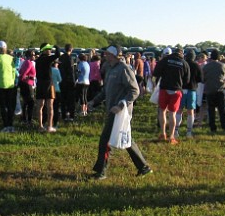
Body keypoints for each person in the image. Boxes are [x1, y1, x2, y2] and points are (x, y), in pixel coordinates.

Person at [87, 46, 152, 180]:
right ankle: (144, 167)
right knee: (126, 139)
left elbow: (135, 91)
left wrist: (121, 105)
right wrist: (93, 101)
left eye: (108, 54)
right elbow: (106, 90)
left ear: (115, 55)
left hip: (120, 112)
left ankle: (101, 171)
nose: (105, 56)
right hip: (112, 110)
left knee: (105, 140)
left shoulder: (124, 69)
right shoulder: (110, 69)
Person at [152, 47, 190, 143]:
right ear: (182, 54)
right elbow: (187, 80)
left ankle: (163, 133)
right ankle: (172, 137)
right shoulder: (184, 63)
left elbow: (155, 73)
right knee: (172, 113)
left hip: (164, 89)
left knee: (162, 111)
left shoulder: (165, 60)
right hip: (176, 90)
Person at [0, 40, 18, 132]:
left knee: (3, 106)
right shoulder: (10, 58)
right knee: (10, 106)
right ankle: (11, 125)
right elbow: (14, 71)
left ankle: (6, 125)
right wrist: (13, 81)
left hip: (0, 85)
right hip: (10, 85)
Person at [202, 50, 225, 133]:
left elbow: (203, 79)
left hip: (210, 90)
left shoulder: (206, 67)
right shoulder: (223, 65)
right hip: (221, 89)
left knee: (211, 110)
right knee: (223, 110)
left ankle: (213, 127)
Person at [34, 43, 59, 133]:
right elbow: (57, 54)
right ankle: (49, 126)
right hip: (48, 83)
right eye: (48, 49)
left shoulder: (38, 60)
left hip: (40, 84)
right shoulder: (48, 59)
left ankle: (40, 126)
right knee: (50, 106)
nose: (50, 50)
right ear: (44, 50)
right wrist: (56, 47)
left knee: (40, 106)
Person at [58, 44, 77, 122]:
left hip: (62, 81)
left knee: (63, 99)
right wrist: (73, 81)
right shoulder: (70, 58)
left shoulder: (61, 58)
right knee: (71, 100)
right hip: (69, 81)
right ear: (71, 49)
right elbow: (71, 71)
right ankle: (71, 116)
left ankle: (64, 115)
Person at [18, 49, 37, 125]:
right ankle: (29, 120)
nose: (34, 56)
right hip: (27, 84)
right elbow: (22, 75)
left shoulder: (25, 62)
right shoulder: (29, 63)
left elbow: (20, 72)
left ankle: (24, 118)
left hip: (24, 84)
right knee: (31, 102)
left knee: (26, 102)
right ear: (29, 55)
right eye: (33, 55)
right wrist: (30, 77)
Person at [76, 52, 91, 116]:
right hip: (87, 81)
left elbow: (78, 72)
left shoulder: (80, 64)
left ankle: (82, 111)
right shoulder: (87, 64)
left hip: (81, 81)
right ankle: (85, 110)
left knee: (81, 96)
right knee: (85, 96)